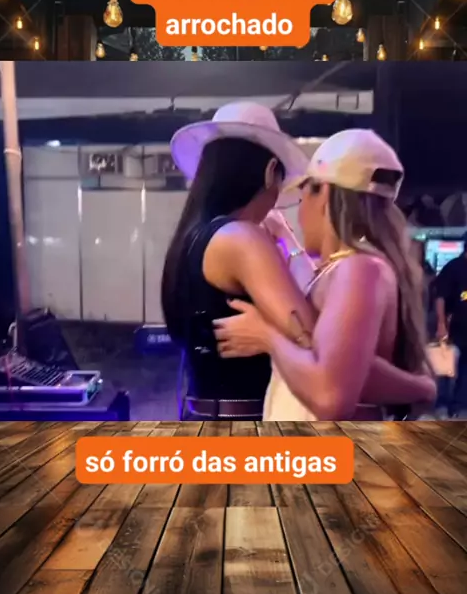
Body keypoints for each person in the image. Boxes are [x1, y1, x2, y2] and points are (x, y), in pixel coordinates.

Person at [162, 104, 434, 420]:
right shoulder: (242, 238)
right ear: (270, 172)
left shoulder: (193, 238)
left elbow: (334, 366)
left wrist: (268, 334)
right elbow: (324, 353)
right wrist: (420, 386)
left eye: (303, 195)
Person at [435, 232, 467, 417]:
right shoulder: (454, 267)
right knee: (446, 367)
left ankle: (460, 406)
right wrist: (441, 324)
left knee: (465, 368)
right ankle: (442, 404)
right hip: (454, 327)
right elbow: (440, 297)